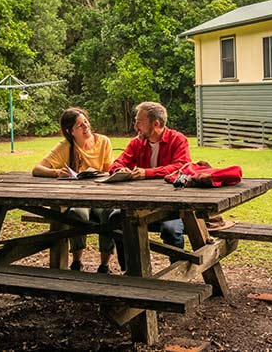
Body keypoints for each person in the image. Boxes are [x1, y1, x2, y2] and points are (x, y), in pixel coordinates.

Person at [108, 101, 191, 269]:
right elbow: (115, 164)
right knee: (116, 218)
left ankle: (178, 273)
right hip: (141, 204)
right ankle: (131, 270)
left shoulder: (178, 140)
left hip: (172, 205)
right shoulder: (136, 143)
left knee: (170, 229)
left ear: (155, 124)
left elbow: (182, 166)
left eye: (139, 121)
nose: (135, 126)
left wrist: (147, 173)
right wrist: (120, 169)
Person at [32, 107, 115, 273]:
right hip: (77, 198)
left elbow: (109, 171)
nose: (86, 127)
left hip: (101, 195)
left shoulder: (103, 141)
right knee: (77, 215)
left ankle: (104, 265)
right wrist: (56, 172)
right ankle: (77, 262)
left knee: (110, 215)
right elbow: (37, 169)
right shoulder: (66, 147)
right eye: (80, 126)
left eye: (86, 122)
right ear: (70, 132)